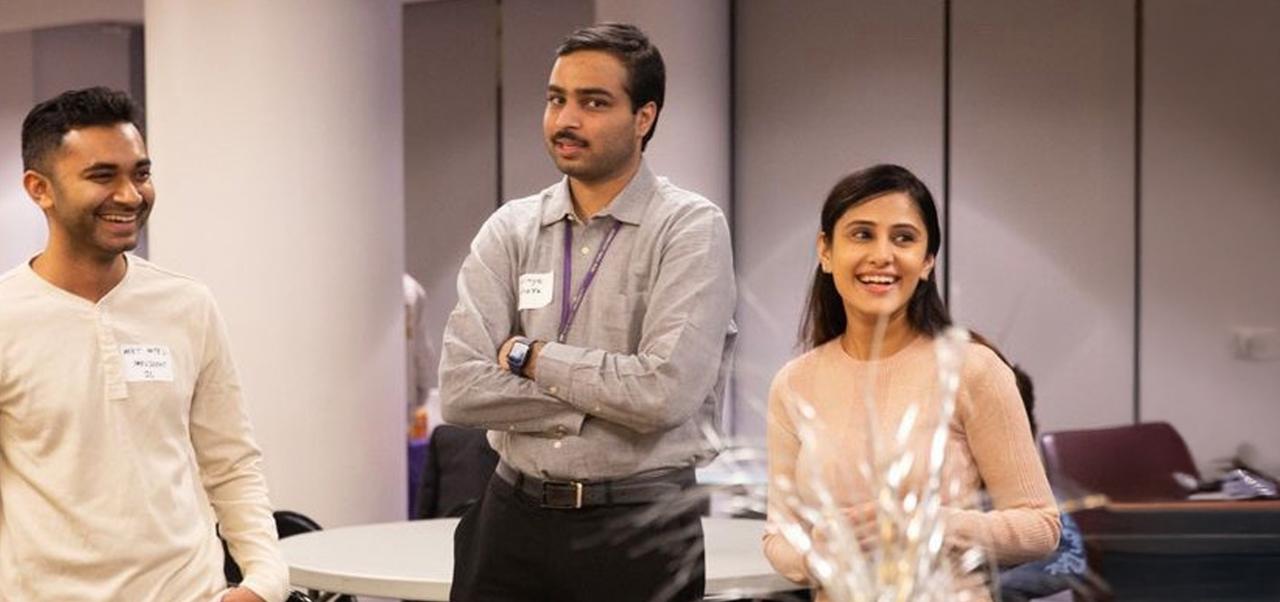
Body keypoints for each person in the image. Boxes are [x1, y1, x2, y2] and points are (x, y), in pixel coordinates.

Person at [438, 22, 737, 602]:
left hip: (637, 529)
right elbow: (459, 389)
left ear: (643, 117)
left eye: (593, 102)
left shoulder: (689, 228)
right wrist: (602, 398)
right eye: (556, 99)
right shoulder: (511, 229)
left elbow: (662, 395)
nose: (565, 119)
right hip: (509, 522)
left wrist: (530, 356)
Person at [0, 87, 288, 601]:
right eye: (102, 176)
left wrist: (264, 580)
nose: (131, 195)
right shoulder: (8, 316)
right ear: (39, 188)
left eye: (141, 173)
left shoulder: (186, 304)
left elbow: (232, 462)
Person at [762, 164, 1060, 601]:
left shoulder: (972, 369)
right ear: (825, 251)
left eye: (903, 238)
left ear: (927, 261)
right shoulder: (794, 383)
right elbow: (779, 536)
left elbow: (1041, 527)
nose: (883, 255)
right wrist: (814, 557)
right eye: (862, 234)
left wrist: (928, 524)